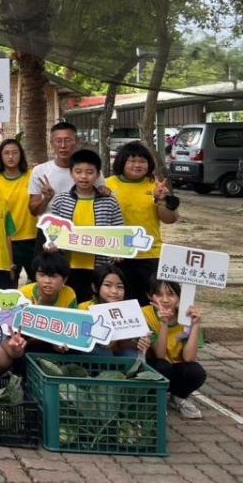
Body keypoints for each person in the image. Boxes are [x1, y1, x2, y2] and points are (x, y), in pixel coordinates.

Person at [107, 141, 179, 305]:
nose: (137, 165)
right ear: (121, 162)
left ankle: (151, 330)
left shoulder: (155, 185)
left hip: (150, 254)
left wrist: (162, 200)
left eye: (142, 161)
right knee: (120, 301)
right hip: (117, 254)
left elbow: (170, 219)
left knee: (150, 302)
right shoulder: (107, 185)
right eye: (132, 161)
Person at [48, 149, 123, 302]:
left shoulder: (109, 202)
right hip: (68, 267)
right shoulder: (60, 201)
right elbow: (52, 232)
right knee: (70, 303)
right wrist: (52, 243)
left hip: (101, 267)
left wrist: (119, 251)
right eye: (78, 171)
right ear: (71, 173)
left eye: (89, 172)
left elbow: (119, 231)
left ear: (97, 175)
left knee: (97, 305)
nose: (83, 176)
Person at [143, 278, 206, 419]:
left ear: (179, 297)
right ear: (149, 296)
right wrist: (164, 323)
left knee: (196, 372)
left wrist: (195, 325)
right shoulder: (145, 314)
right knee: (162, 366)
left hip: (175, 368)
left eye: (171, 294)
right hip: (154, 367)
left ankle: (177, 397)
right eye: (159, 294)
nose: (165, 300)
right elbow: (159, 354)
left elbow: (189, 358)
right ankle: (156, 400)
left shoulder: (186, 315)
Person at [28, 122, 106, 221]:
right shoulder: (39, 171)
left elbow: (102, 199)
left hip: (82, 230)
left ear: (77, 141)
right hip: (50, 231)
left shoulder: (90, 171)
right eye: (58, 141)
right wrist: (46, 199)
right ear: (51, 143)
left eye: (68, 140)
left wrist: (104, 191)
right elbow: (33, 212)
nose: (63, 145)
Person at [79, 264, 148, 358]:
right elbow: (81, 340)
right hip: (95, 355)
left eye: (119, 286)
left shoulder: (130, 310)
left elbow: (125, 345)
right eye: (108, 285)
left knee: (131, 355)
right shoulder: (84, 308)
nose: (114, 291)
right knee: (101, 353)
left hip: (116, 354)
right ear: (95, 287)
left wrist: (141, 343)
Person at [0, 139, 35, 285]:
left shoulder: (32, 175)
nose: (10, 157)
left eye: (14, 153)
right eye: (6, 153)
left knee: (38, 283)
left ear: (21, 155)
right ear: (0, 156)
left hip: (32, 238)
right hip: (6, 240)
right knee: (8, 285)